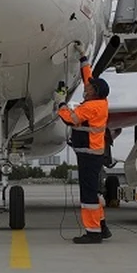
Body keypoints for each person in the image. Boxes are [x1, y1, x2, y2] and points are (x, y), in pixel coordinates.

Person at [55, 49, 112, 244]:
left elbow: (70, 119)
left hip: (88, 155)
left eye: (89, 88)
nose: (86, 88)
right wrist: (83, 60)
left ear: (95, 92)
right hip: (94, 154)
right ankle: (102, 227)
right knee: (94, 192)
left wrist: (60, 103)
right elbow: (89, 78)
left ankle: (93, 232)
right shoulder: (101, 102)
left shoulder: (90, 107)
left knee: (88, 196)